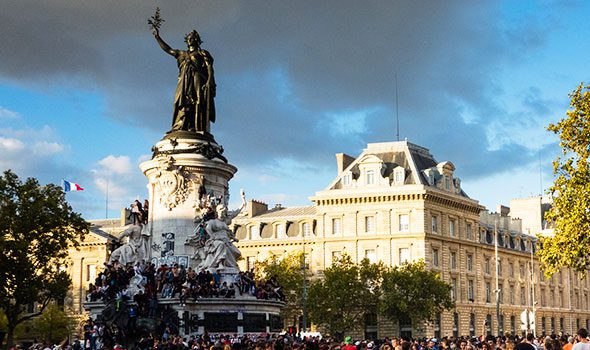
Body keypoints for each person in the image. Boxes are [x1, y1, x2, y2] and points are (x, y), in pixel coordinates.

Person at [152, 26, 216, 133]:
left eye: (193, 38)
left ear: (198, 41)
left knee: (197, 102)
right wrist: (157, 37)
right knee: (181, 101)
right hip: (183, 83)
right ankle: (181, 125)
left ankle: (195, 127)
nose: (191, 40)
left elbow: (210, 68)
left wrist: (209, 81)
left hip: (197, 80)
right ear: (186, 41)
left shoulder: (202, 53)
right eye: (189, 38)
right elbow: (168, 50)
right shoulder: (181, 54)